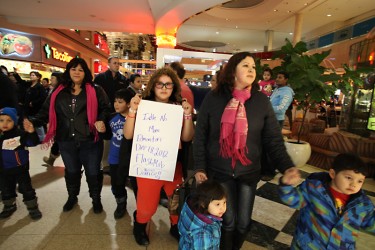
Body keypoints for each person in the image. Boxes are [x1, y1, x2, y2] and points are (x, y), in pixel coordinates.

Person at [193, 52, 299, 250]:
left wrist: (287, 167)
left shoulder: (260, 101)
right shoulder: (214, 98)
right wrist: (200, 167)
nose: (251, 69)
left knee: (243, 224)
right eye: (245, 65)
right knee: (229, 221)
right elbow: (200, 135)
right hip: (219, 171)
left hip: (249, 172)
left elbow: (273, 139)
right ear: (233, 71)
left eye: (253, 66)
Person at [24, 58, 111, 214]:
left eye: (81, 69)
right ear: (68, 71)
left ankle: (96, 198)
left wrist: (101, 120)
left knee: (93, 172)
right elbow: (44, 112)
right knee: (71, 171)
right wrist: (33, 122)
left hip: (90, 140)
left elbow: (106, 109)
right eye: (73, 69)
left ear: (86, 72)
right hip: (66, 140)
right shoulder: (58, 92)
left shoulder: (96, 89)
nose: (77, 72)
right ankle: (72, 196)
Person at [124, 67, 194, 246]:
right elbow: (128, 135)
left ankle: (175, 226)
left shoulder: (178, 107)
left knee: (176, 201)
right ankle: (140, 225)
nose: (164, 88)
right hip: (148, 165)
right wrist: (132, 111)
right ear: (153, 86)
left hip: (172, 165)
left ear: (174, 87)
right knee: (147, 207)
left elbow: (187, 137)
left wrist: (187, 116)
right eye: (160, 84)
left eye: (168, 84)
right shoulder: (143, 105)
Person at [279, 153, 375, 249]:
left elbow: (371, 223)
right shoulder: (313, 190)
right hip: (308, 246)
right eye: (349, 178)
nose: (354, 184)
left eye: (360, 181)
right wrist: (286, 186)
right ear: (333, 174)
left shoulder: (363, 205)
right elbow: (293, 199)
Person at [0, 107, 42, 220]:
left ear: (14, 121)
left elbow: (33, 142)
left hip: (20, 169)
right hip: (3, 170)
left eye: (9, 120)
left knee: (26, 189)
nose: (5, 123)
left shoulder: (20, 134)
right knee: (6, 189)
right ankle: (9, 206)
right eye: (1, 120)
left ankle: (32, 207)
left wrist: (32, 132)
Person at [94, 56, 128, 174]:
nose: (117, 65)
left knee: (116, 136)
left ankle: (113, 162)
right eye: (114, 63)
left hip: (119, 111)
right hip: (104, 110)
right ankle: (103, 163)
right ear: (108, 64)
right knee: (104, 137)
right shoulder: (100, 78)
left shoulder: (123, 79)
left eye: (118, 63)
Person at [106, 89, 133, 219]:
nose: (116, 104)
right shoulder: (111, 117)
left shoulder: (135, 118)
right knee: (117, 183)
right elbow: (106, 134)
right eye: (115, 101)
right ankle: (121, 204)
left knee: (137, 185)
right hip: (115, 157)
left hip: (131, 158)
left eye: (120, 102)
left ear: (128, 104)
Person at [178, 180, 227, 250]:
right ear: (203, 203)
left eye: (224, 202)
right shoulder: (203, 233)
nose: (222, 208)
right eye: (217, 204)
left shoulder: (190, 210)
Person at [42, 72, 63, 167]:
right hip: (56, 120)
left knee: (59, 140)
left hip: (61, 121)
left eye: (53, 78)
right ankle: (51, 159)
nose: (51, 80)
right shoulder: (54, 90)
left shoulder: (60, 91)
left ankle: (51, 159)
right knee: (58, 140)